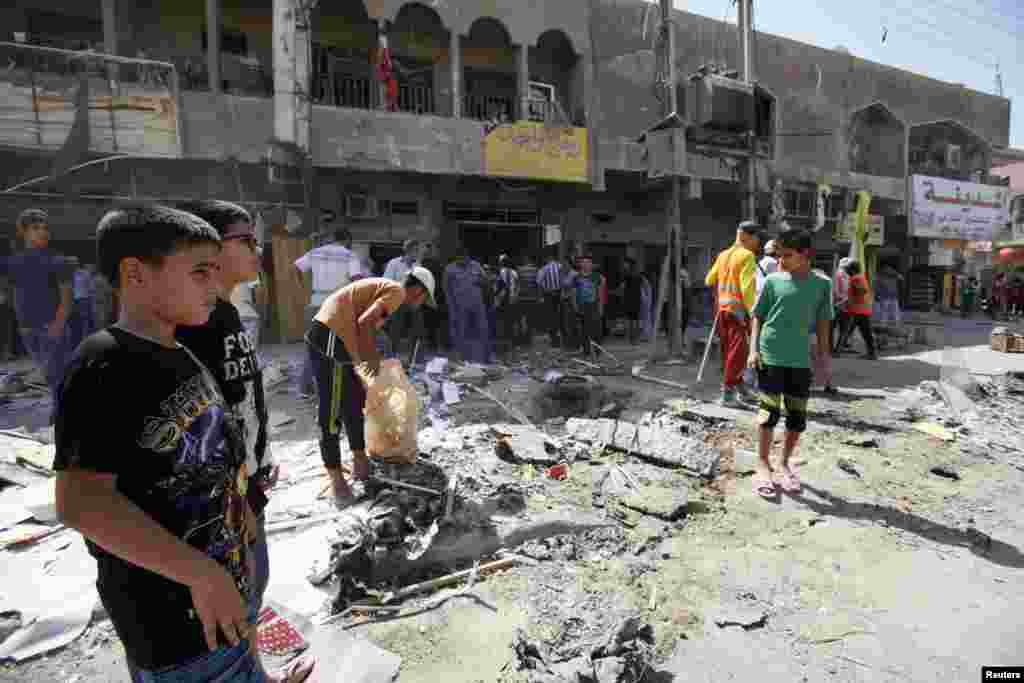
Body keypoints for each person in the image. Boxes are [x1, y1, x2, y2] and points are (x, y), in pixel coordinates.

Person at [53, 205, 280, 682]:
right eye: (200, 272)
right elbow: (81, 504)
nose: (214, 286)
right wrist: (202, 573)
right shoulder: (104, 363)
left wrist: (245, 522)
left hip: (221, 610)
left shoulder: (181, 352)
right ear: (135, 274)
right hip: (176, 629)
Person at [174, 201, 309, 683]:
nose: (258, 250)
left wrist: (260, 465)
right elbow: (202, 428)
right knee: (238, 593)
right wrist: (234, 493)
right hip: (224, 499)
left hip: (248, 484)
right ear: (208, 246)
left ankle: (257, 673)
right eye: (246, 241)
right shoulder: (193, 321)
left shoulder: (228, 313)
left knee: (253, 585)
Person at [306, 270, 436, 506]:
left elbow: (365, 323)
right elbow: (365, 322)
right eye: (424, 299)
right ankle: (337, 481)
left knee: (354, 401)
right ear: (418, 290)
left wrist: (368, 361)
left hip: (337, 338)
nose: (421, 304)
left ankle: (360, 461)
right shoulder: (396, 293)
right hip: (330, 337)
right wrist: (371, 361)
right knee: (332, 409)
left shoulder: (387, 291)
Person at [747, 229, 833, 498]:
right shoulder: (773, 281)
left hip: (799, 361)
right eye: (779, 255)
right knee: (767, 414)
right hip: (770, 354)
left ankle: (783, 463)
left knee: (797, 418)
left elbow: (822, 327)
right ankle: (762, 464)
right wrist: (753, 350)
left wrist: (824, 362)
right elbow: (758, 317)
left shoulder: (822, 286)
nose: (781, 261)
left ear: (806, 255)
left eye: (787, 256)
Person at [0, 208, 73, 403]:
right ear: (22, 231)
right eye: (35, 228)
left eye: (45, 228)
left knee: (58, 377)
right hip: (28, 328)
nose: (43, 232)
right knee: (49, 377)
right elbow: (13, 291)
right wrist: (20, 322)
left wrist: (57, 325)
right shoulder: (13, 262)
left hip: (50, 326)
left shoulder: (58, 261)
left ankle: (64, 417)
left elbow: (66, 298)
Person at [293, 229, 366, 398]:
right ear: (347, 240)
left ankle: (305, 388)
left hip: (316, 302)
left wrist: (303, 289)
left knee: (313, 345)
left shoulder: (315, 252)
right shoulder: (349, 255)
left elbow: (296, 267)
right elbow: (356, 279)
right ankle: (339, 387)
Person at [705, 220, 762, 407]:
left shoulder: (723, 255)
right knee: (738, 354)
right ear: (749, 237)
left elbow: (709, 280)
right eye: (757, 238)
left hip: (721, 311)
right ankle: (728, 396)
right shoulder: (747, 256)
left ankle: (741, 390)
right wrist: (755, 310)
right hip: (737, 312)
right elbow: (746, 289)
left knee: (730, 352)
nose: (758, 242)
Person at [443, 251, 490, 364]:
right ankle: (462, 357)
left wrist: (480, 281)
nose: (464, 261)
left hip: (477, 305)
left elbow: (486, 281)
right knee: (461, 331)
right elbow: (446, 288)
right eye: (461, 259)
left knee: (482, 329)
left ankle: (485, 357)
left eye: (465, 259)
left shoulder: (476, 266)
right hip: (459, 306)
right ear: (456, 259)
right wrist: (450, 305)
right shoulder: (450, 269)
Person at [835, 260, 877, 360]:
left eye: (848, 269)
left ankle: (837, 352)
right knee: (867, 334)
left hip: (855, 311)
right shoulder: (861, 277)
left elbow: (862, 291)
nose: (846, 272)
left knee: (845, 332)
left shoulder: (855, 278)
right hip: (864, 310)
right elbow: (856, 294)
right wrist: (841, 303)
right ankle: (872, 354)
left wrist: (845, 303)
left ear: (852, 270)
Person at [572, 255, 603, 357]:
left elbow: (600, 293)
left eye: (588, 262)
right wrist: (575, 306)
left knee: (596, 330)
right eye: (583, 262)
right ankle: (586, 351)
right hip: (582, 306)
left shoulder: (596, 277)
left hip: (593, 306)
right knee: (584, 331)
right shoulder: (576, 278)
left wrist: (600, 307)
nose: (585, 264)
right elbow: (574, 293)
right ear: (580, 264)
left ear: (591, 265)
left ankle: (597, 351)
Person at [66, 257, 96, 353]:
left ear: (78, 263)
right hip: (72, 301)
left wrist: (91, 300)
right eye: (70, 263)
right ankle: (75, 345)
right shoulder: (67, 275)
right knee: (74, 323)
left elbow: (91, 288)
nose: (72, 264)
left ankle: (87, 344)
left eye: (74, 262)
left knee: (85, 321)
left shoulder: (85, 273)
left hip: (84, 300)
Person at [494, 254, 520, 354]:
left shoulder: (499, 273)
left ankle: (504, 341)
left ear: (501, 263)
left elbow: (497, 288)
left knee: (502, 320)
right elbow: (517, 286)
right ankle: (511, 340)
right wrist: (515, 296)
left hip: (502, 300)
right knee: (511, 320)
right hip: (512, 300)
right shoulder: (514, 272)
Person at [538, 251, 564, 347]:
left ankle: (554, 339)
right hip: (560, 294)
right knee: (560, 316)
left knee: (550, 316)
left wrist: (542, 294)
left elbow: (539, 282)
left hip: (548, 295)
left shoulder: (544, 269)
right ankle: (562, 337)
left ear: (547, 258)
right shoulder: (561, 267)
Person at [516, 254, 540, 345]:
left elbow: (517, 284)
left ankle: (522, 337)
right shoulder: (535, 270)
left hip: (522, 297)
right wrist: (538, 297)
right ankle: (528, 338)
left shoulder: (519, 270)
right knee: (531, 319)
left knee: (522, 318)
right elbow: (537, 284)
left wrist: (516, 296)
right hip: (532, 298)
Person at [831, 257, 852, 354]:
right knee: (837, 328)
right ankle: (834, 350)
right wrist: (844, 298)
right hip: (839, 305)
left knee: (841, 329)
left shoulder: (847, 275)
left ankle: (836, 350)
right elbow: (835, 291)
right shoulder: (839, 275)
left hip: (844, 305)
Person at [622, 258, 644, 344]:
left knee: (632, 320)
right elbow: (642, 285)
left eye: (625, 263)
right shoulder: (638, 274)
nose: (624, 265)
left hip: (630, 298)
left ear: (629, 264)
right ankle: (635, 338)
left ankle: (633, 338)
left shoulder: (627, 274)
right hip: (636, 298)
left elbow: (623, 286)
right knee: (635, 319)